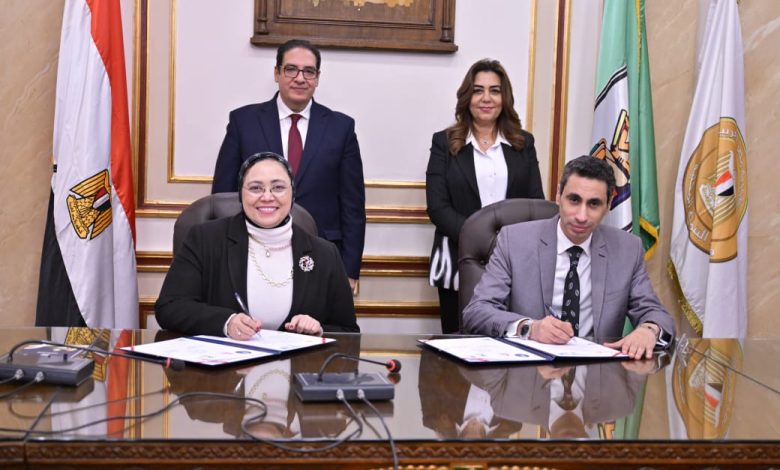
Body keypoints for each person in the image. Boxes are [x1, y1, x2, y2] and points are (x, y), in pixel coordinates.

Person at [462, 155, 675, 359]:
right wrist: (529, 328)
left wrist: (649, 330)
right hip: (527, 372)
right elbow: (477, 311)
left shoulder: (627, 249)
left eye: (594, 204)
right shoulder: (514, 241)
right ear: (558, 195)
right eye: (574, 200)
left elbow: (656, 313)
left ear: (609, 204)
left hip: (597, 375)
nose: (581, 216)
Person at [211, 39, 365, 290]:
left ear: (317, 78)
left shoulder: (341, 128)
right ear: (277, 73)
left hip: (321, 253)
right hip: (253, 251)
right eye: (291, 69)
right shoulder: (244, 122)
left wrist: (349, 270)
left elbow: (353, 206)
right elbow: (223, 197)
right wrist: (222, 259)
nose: (300, 78)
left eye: (309, 71)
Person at [156, 152, 359, 339]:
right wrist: (226, 322)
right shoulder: (204, 239)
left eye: (278, 187)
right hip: (225, 365)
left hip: (296, 366)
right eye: (255, 188)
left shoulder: (325, 254)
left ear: (292, 193)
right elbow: (170, 307)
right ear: (241, 194)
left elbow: (348, 331)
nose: (267, 197)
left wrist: (318, 329)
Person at [426, 59, 544, 334]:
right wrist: (480, 241)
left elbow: (535, 204)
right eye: (478, 90)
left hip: (514, 261)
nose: (486, 98)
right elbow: (438, 207)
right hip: (457, 259)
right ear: (467, 97)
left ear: (505, 97)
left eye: (495, 90)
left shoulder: (523, 143)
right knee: (458, 342)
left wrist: (504, 247)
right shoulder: (444, 142)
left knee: (510, 340)